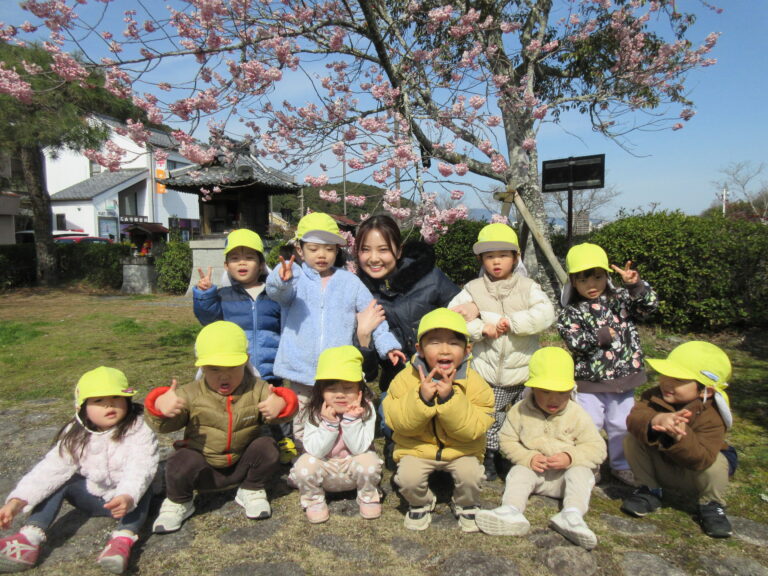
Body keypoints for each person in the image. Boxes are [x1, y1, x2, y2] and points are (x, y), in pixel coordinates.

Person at [0, 367, 158, 574]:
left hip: (126, 503)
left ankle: (122, 540)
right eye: (98, 400)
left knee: (144, 488)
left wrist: (127, 496)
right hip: (92, 496)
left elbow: (140, 469)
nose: (109, 404)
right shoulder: (76, 434)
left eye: (116, 397)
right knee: (60, 480)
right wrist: (17, 500)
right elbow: (50, 470)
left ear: (127, 400)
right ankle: (29, 538)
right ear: (82, 407)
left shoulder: (140, 430)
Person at [144, 321, 298, 534]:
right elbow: (164, 426)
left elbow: (283, 403)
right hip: (204, 470)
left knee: (267, 446)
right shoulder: (190, 393)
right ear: (201, 367)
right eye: (214, 369)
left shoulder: (257, 388)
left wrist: (282, 403)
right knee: (179, 461)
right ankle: (179, 501)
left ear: (246, 361)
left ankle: (251, 489)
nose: (224, 376)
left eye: (232, 367)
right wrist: (159, 408)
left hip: (241, 466)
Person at [266, 212, 403, 446]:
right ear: (300, 250)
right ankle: (306, 457)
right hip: (302, 368)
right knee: (303, 420)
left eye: (329, 249)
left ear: (337, 251)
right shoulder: (294, 277)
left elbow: (374, 314)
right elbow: (277, 293)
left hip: (337, 371)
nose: (321, 255)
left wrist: (387, 345)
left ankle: (343, 456)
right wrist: (282, 280)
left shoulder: (349, 282)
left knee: (341, 417)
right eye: (313, 249)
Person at [447, 223, 555, 481]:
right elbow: (453, 318)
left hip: (522, 369)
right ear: (481, 260)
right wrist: (481, 328)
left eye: (503, 255)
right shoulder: (474, 289)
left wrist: (513, 323)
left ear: (516, 257)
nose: (496, 262)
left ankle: (513, 455)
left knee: (520, 417)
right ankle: (489, 454)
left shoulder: (528, 287)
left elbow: (545, 314)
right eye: (489, 256)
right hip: (487, 370)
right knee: (490, 416)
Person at [354, 214, 461, 469]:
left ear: (399, 250)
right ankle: (399, 441)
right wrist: (363, 337)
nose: (374, 258)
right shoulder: (357, 292)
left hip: (442, 373)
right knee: (396, 422)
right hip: (398, 381)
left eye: (383, 249)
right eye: (365, 250)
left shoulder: (429, 277)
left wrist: (470, 308)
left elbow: (461, 313)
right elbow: (368, 374)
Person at [474, 347, 606, 550]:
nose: (554, 399)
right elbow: (507, 440)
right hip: (536, 473)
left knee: (581, 474)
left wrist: (570, 457)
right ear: (533, 388)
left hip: (565, 478)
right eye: (545, 391)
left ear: (571, 390)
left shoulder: (577, 414)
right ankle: (511, 510)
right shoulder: (520, 410)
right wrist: (527, 458)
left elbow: (597, 448)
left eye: (562, 393)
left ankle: (572, 515)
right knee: (518, 472)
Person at [383, 308, 494, 533]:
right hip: (416, 449)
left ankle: (465, 503)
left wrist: (449, 399)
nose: (444, 350)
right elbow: (398, 422)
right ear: (420, 349)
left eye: (454, 343)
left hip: (461, 450)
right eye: (434, 342)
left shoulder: (475, 383)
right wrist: (421, 398)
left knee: (471, 475)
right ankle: (421, 502)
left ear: (467, 349)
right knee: (407, 478)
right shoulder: (404, 380)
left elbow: (474, 429)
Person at [556, 242, 658, 486]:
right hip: (590, 381)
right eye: (583, 280)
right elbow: (575, 342)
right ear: (572, 281)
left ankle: (622, 465)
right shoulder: (571, 312)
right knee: (589, 425)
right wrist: (601, 336)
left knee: (621, 425)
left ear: (607, 276)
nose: (591, 285)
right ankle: (589, 464)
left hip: (624, 378)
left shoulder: (621, 299)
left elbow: (649, 307)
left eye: (598, 277)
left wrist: (635, 286)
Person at [192, 229, 296, 464]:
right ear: (226, 265)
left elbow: (286, 323)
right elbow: (209, 320)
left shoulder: (272, 295)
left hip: (270, 366)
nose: (242, 263)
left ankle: (284, 440)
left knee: (275, 402)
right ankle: (240, 443)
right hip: (238, 369)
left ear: (261, 264)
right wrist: (205, 295)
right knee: (240, 409)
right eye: (235, 258)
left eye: (249, 257)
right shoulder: (222, 296)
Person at [621, 341, 736, 538]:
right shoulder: (654, 396)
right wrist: (656, 419)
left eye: (679, 380)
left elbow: (702, 459)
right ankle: (649, 490)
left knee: (718, 462)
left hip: (694, 474)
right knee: (631, 439)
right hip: (663, 465)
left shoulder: (713, 415)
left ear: (705, 390)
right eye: (666, 375)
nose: (667, 382)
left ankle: (711, 504)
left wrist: (680, 437)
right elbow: (634, 418)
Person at [288, 346, 383, 524]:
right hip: (326, 468)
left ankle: (368, 495)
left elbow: (359, 449)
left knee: (369, 461)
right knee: (303, 465)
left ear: (360, 389)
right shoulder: (314, 410)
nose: (340, 395)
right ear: (321, 390)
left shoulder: (366, 408)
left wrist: (351, 420)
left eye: (348, 388)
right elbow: (315, 451)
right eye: (332, 389)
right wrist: (329, 424)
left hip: (352, 467)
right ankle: (314, 500)